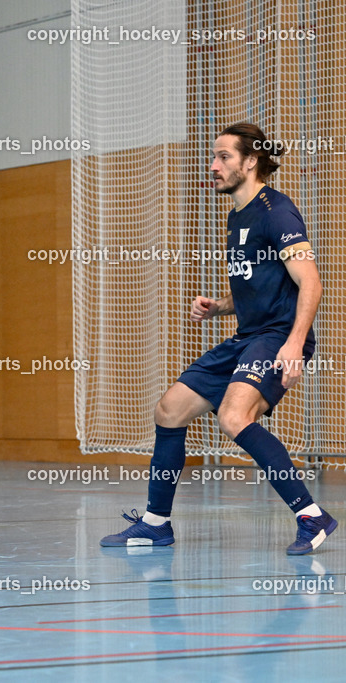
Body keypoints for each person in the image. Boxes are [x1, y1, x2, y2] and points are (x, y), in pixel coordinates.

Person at [101, 122, 336, 555]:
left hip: (278, 337)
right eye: (214, 156)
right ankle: (156, 524)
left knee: (233, 417)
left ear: (251, 161)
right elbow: (260, 285)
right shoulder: (238, 214)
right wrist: (221, 307)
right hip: (248, 335)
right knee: (170, 410)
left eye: (224, 157)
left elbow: (312, 283)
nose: (214, 165)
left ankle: (311, 515)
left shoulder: (276, 211)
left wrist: (293, 343)